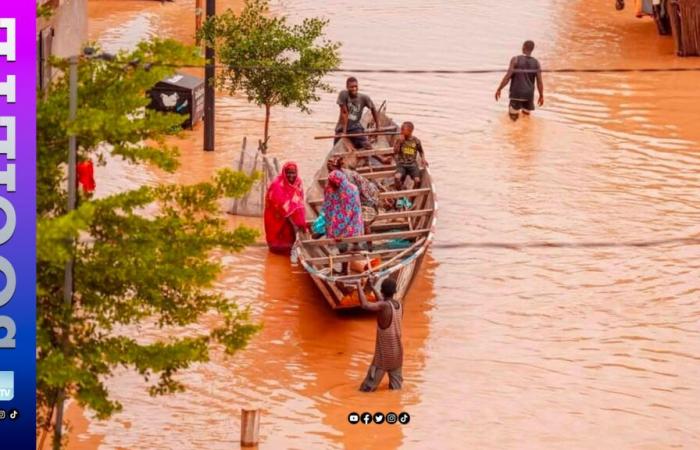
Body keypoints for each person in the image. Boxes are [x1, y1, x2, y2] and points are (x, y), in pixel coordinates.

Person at [356, 277, 404, 392]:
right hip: (398, 355)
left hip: (383, 358)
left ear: (382, 291)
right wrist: (372, 287)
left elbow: (365, 305)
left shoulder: (384, 306)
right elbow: (383, 303)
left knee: (365, 391)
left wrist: (358, 285)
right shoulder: (399, 305)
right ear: (395, 292)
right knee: (396, 391)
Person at [321, 170, 364, 273]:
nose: (331, 186)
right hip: (337, 221)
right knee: (341, 244)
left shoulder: (352, 189)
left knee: (349, 240)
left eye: (333, 184)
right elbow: (327, 207)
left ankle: (355, 250)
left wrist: (342, 231)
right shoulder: (329, 189)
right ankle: (344, 269)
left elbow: (355, 211)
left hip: (352, 221)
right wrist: (329, 226)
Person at [264, 162, 308, 254]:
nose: (291, 175)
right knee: (279, 244)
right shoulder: (277, 185)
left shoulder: (298, 182)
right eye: (288, 173)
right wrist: (296, 223)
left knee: (290, 239)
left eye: (293, 173)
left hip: (291, 216)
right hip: (278, 218)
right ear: (284, 172)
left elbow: (300, 202)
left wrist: (301, 223)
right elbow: (280, 206)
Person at [495, 40, 544, 121]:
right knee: (526, 120)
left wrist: (499, 89)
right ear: (532, 49)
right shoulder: (536, 63)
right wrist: (541, 95)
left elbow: (508, 76)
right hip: (529, 96)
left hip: (516, 94)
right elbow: (540, 81)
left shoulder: (515, 59)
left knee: (513, 121)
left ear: (523, 47)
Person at [335, 77, 381, 149]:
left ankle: (382, 159)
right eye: (351, 87)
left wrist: (378, 127)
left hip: (354, 128)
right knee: (335, 148)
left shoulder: (364, 98)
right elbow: (345, 113)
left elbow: (373, 109)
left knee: (366, 144)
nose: (354, 89)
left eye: (356, 86)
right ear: (347, 87)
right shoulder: (343, 94)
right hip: (341, 128)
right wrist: (344, 132)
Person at [393, 121, 427, 190]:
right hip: (401, 164)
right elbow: (395, 152)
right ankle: (401, 191)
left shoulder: (416, 141)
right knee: (397, 178)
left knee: (417, 181)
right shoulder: (399, 139)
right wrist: (399, 142)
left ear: (410, 131)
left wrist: (423, 159)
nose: (401, 131)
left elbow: (421, 152)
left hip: (412, 164)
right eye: (401, 129)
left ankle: (411, 198)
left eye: (403, 129)